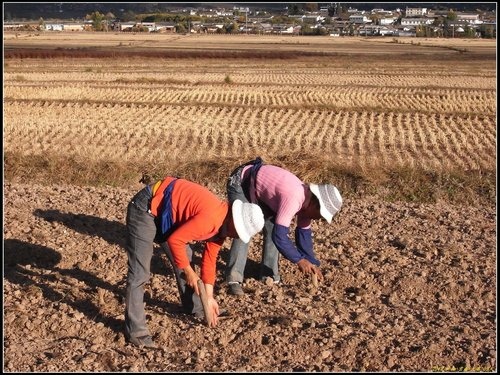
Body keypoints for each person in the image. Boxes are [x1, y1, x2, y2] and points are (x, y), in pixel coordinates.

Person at [124, 176, 264, 348]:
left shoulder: (223, 226)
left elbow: (210, 260)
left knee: (185, 258)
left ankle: (197, 308)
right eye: (239, 232)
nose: (236, 237)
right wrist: (189, 271)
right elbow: (176, 240)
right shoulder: (212, 218)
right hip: (145, 208)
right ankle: (136, 333)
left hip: (167, 214)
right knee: (140, 273)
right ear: (234, 222)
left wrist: (210, 297)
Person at [225, 157, 343, 296]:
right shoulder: (294, 198)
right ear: (315, 205)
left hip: (260, 192)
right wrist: (299, 260)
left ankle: (269, 277)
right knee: (243, 227)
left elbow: (303, 236)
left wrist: (311, 263)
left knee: (272, 226)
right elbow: (280, 236)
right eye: (321, 215)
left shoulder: (307, 206)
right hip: (242, 182)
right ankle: (234, 279)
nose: (319, 219)